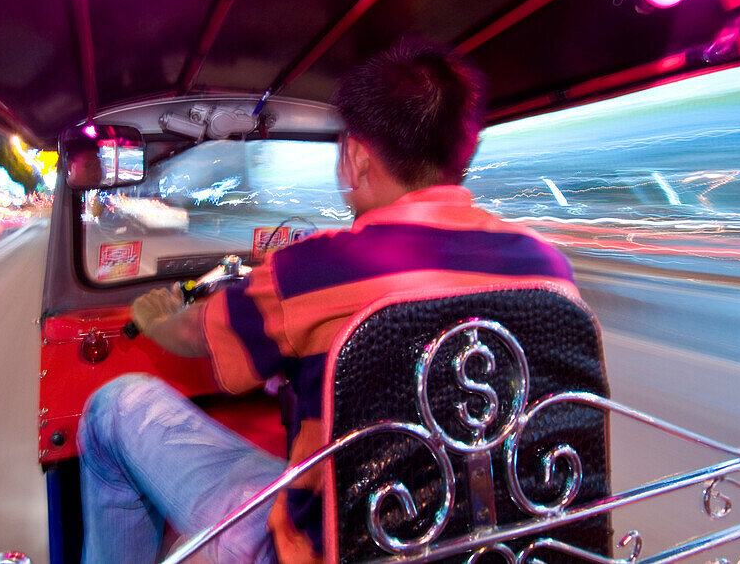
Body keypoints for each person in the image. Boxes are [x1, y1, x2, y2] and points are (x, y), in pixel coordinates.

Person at [76, 41, 580, 564]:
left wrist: (155, 317)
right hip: (504, 547)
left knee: (113, 407)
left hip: (337, 548)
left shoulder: (315, 270)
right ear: (463, 153)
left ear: (358, 157)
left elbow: (194, 335)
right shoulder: (549, 269)